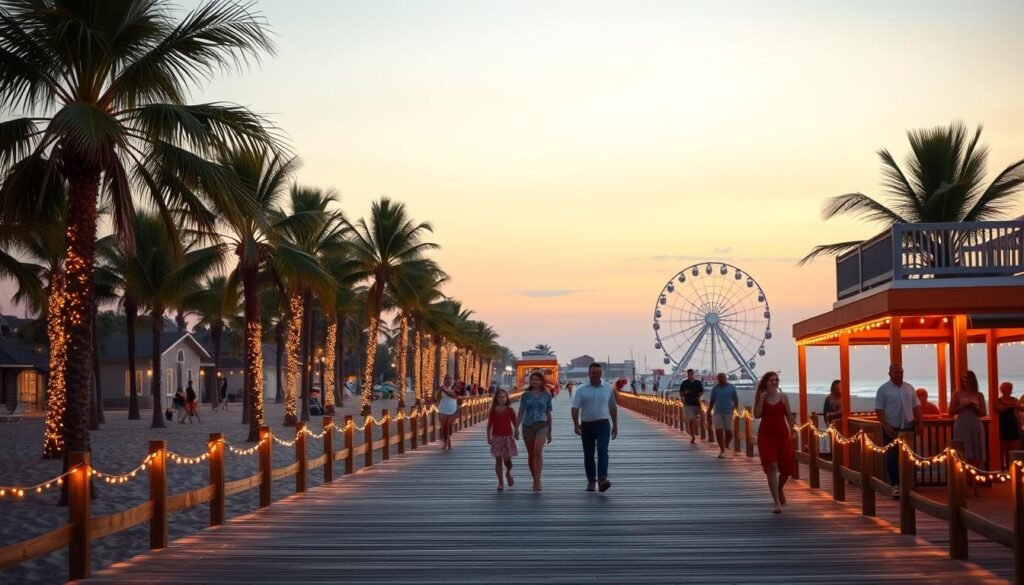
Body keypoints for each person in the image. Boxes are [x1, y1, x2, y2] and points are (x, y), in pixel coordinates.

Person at [874, 363, 920, 498]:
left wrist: (920, 421)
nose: (899, 375)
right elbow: (879, 409)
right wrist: (886, 426)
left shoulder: (909, 388)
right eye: (896, 372)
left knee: (909, 456)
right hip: (891, 428)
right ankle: (895, 485)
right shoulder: (883, 389)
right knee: (892, 457)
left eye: (901, 372)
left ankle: (908, 484)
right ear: (890, 374)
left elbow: (916, 406)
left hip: (908, 426)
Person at [571, 362, 618, 492]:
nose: (595, 375)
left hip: (603, 424)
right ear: (589, 373)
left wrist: (615, 425)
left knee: (603, 450)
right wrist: (575, 424)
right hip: (587, 425)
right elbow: (575, 408)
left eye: (598, 373)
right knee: (589, 454)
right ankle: (591, 480)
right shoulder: (581, 389)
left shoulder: (608, 388)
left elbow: (613, 407)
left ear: (601, 373)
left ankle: (602, 479)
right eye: (593, 373)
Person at [754, 371, 795, 514]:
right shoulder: (761, 397)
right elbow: (757, 414)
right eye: (772, 380)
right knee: (771, 465)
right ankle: (777, 502)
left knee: (786, 469)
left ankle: (779, 488)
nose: (775, 382)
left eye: (776, 380)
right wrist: (761, 400)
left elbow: (789, 415)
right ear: (766, 382)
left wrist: (793, 430)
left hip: (782, 435)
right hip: (766, 436)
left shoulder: (784, 398)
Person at [951, 370, 987, 496]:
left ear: (973, 380)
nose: (965, 381)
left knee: (975, 457)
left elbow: (984, 412)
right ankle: (964, 487)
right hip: (962, 424)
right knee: (963, 456)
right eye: (963, 379)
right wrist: (963, 406)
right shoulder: (957, 394)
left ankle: (976, 486)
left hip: (975, 425)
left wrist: (975, 407)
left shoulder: (979, 394)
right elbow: (951, 410)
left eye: (968, 379)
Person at [518, 371, 553, 492]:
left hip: (542, 425)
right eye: (533, 379)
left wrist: (549, 431)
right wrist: (516, 428)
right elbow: (521, 411)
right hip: (527, 426)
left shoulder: (547, 395)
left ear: (542, 381)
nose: (535, 381)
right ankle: (535, 479)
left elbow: (548, 413)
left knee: (538, 451)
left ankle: (538, 480)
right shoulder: (525, 395)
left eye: (537, 379)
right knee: (531, 454)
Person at [486, 389, 519, 491]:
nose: (502, 399)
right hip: (496, 437)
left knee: (507, 460)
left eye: (504, 397)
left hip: (508, 437)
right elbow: (489, 425)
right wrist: (488, 437)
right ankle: (500, 482)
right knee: (498, 459)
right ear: (496, 398)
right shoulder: (493, 410)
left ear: (507, 398)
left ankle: (508, 473)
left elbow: (515, 423)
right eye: (500, 397)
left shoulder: (510, 410)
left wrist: (517, 432)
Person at [707, 373, 738, 458]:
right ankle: (722, 450)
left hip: (728, 412)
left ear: (726, 378)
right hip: (718, 412)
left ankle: (726, 444)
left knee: (729, 432)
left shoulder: (732, 387)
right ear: (717, 379)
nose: (721, 379)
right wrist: (709, 411)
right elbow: (712, 401)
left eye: (722, 377)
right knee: (719, 430)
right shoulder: (715, 389)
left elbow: (736, 399)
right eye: (719, 378)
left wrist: (735, 408)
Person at [995, 382, 1023, 471]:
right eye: (1006, 388)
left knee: (1014, 448)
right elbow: (1000, 408)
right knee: (1004, 449)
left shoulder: (1015, 400)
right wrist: (1013, 405)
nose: (1009, 390)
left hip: (1013, 425)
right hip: (1003, 426)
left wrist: (1020, 403)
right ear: (1002, 390)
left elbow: (1021, 409)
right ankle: (1003, 468)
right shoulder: (999, 400)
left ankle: (1013, 468)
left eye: (1010, 388)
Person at [679, 369, 704, 444]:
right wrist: (685, 392)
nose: (691, 375)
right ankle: (692, 436)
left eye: (692, 374)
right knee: (691, 419)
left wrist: (699, 395)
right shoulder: (684, 383)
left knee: (698, 419)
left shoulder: (698, 383)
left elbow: (702, 391)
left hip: (697, 404)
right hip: (688, 404)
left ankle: (695, 433)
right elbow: (681, 393)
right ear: (687, 374)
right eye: (689, 374)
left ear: (693, 374)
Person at [436, 375, 460, 450]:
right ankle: (446, 442)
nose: (448, 380)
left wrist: (444, 391)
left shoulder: (455, 388)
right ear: (444, 380)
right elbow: (438, 398)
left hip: (452, 409)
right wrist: (440, 391)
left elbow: (454, 396)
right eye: (446, 379)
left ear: (452, 380)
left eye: (450, 379)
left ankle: (448, 439)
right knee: (444, 427)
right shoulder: (441, 388)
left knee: (449, 426)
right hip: (443, 409)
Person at [822, 380, 842, 459]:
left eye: (839, 388)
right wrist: (827, 422)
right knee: (833, 442)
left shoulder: (844, 398)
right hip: (831, 423)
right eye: (836, 388)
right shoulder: (829, 398)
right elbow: (825, 412)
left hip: (841, 423)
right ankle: (834, 458)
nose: (837, 389)